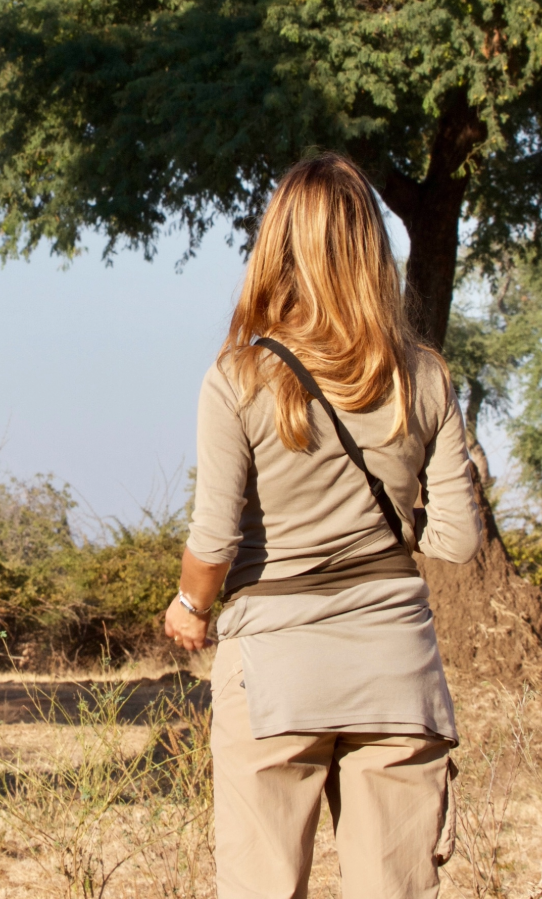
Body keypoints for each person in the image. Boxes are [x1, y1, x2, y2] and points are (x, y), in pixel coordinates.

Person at [162, 153, 486, 898]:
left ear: (277, 249)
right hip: (397, 670)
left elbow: (213, 542)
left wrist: (189, 608)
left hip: (277, 671)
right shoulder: (426, 375)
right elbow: (458, 541)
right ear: (374, 248)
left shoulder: (239, 377)